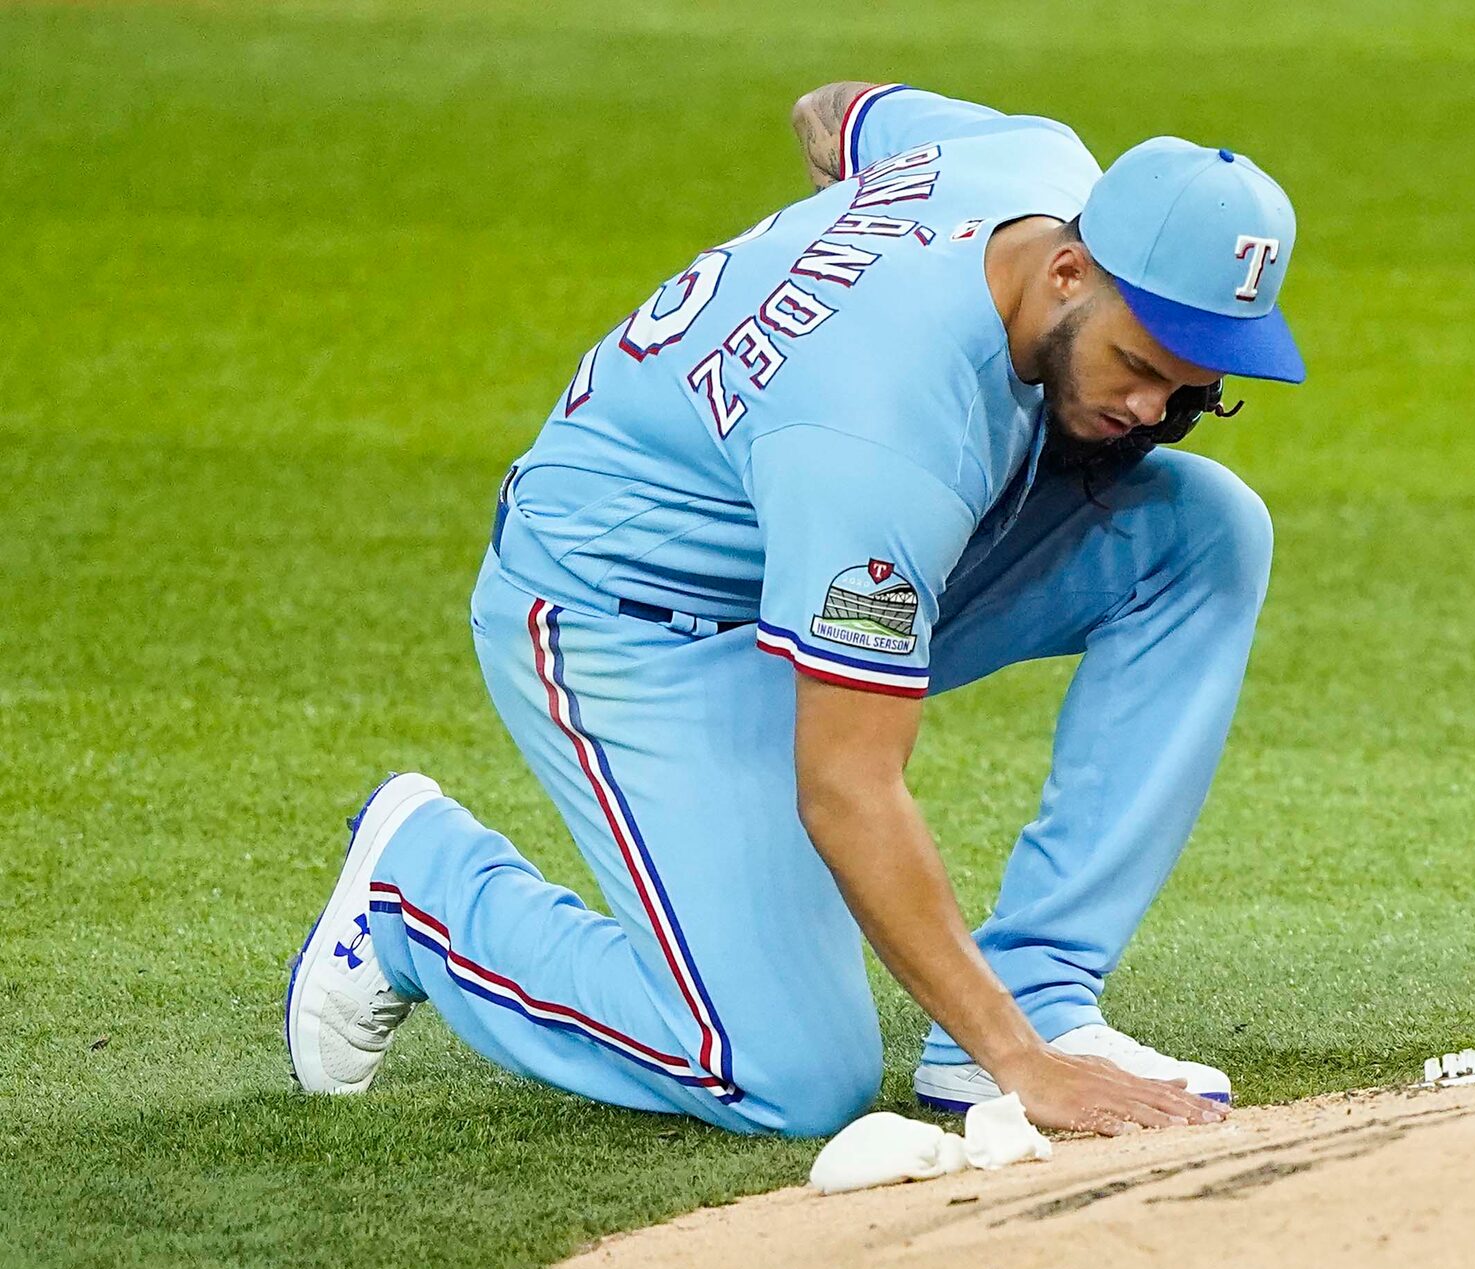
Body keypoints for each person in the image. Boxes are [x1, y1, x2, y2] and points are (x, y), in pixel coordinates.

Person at [282, 80, 1304, 1138]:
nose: (1151, 408)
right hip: (626, 619)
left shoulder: (1032, 162)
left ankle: (1036, 992)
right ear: (1067, 268)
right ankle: (421, 892)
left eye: (1189, 383)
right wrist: (1026, 1074)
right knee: (787, 1075)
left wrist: (827, 271)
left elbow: (838, 111)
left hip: (797, 539)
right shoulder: (882, 436)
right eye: (1137, 363)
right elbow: (847, 786)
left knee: (1202, 530)